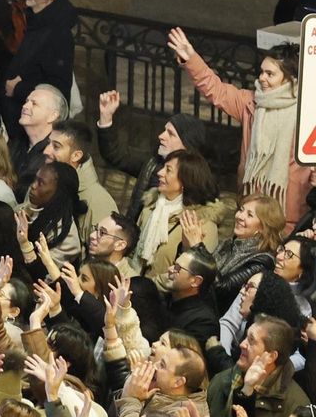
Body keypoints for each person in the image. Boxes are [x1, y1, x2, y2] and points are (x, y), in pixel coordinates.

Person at [172, 28, 309, 227]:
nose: (262, 78)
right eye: (261, 72)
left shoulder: (307, 113)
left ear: (291, 79)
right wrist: (191, 58)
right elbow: (216, 90)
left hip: (287, 218)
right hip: (248, 212)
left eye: (270, 73)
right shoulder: (250, 103)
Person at [95, 90, 211, 227]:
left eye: (171, 134)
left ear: (187, 144)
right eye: (164, 130)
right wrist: (106, 116)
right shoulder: (153, 162)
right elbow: (115, 155)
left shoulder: (198, 181)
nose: (161, 136)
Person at [2, 0, 76, 122]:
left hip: (38, 123)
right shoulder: (34, 21)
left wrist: (18, 89)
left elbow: (58, 88)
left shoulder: (58, 34)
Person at [136, 149, 219, 282]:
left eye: (168, 170)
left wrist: (151, 286)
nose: (159, 173)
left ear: (185, 181)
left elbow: (193, 275)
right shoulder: (150, 208)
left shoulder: (203, 225)